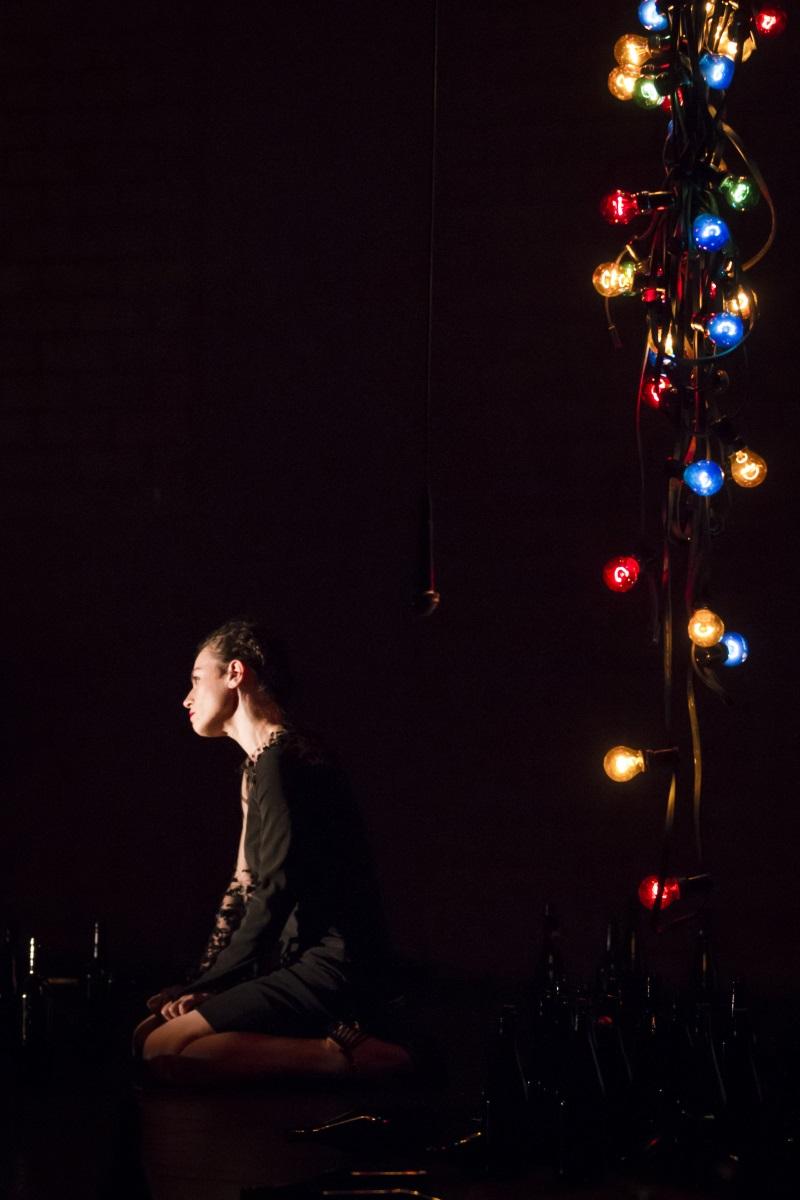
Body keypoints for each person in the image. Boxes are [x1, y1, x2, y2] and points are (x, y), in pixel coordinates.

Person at [136, 618, 412, 1085]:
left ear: (235, 673)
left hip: (332, 965)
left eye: (197, 679)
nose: (187, 698)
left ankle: (349, 1054)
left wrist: (217, 983)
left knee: (161, 1047)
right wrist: (200, 982)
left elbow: (276, 889)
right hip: (295, 959)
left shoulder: (287, 761)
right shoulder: (258, 767)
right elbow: (242, 887)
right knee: (152, 1037)